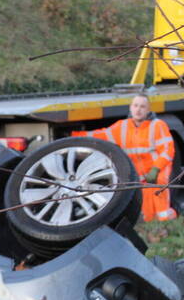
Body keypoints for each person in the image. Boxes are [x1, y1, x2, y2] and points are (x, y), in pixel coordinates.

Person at [75, 94, 177, 222]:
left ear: (148, 110)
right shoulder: (122, 126)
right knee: (143, 202)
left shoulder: (158, 125)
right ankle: (150, 222)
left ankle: (166, 221)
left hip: (157, 169)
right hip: (138, 173)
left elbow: (168, 150)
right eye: (135, 106)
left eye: (142, 106)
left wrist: (156, 169)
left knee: (158, 192)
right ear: (130, 108)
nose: (138, 110)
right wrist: (74, 135)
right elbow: (100, 135)